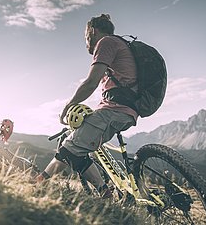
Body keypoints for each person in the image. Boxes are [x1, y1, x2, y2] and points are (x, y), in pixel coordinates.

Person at [35, 14, 138, 198]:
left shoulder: (106, 42)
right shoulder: (120, 44)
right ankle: (105, 191)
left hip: (115, 110)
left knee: (69, 149)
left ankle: (38, 185)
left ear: (92, 31)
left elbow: (91, 82)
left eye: (85, 37)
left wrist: (69, 105)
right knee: (75, 146)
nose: (86, 42)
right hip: (126, 110)